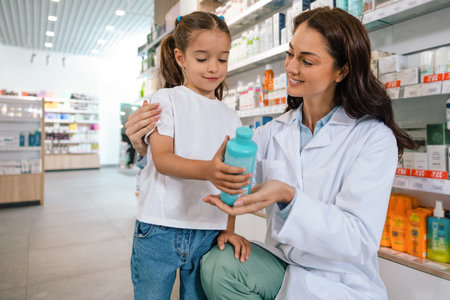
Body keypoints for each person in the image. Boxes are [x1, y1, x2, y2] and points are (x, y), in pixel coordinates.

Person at [126, 7, 415, 300]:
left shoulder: (373, 138)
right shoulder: (273, 132)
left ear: (342, 70)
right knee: (218, 265)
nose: (291, 67)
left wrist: (289, 197)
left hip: (339, 282)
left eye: (307, 60)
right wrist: (145, 150)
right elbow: (222, 174)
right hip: (282, 267)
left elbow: (359, 240)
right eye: (291, 54)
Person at [129, 11, 252, 300]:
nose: (213, 68)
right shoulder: (166, 100)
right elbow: (163, 159)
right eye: (202, 58)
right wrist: (210, 170)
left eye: (222, 59)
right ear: (181, 58)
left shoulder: (231, 117)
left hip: (209, 232)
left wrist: (229, 228)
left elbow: (232, 183)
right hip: (160, 227)